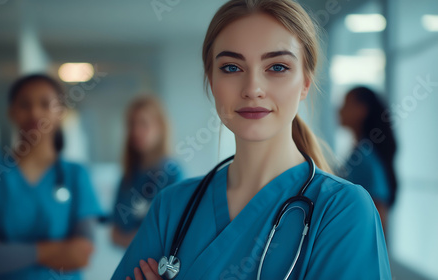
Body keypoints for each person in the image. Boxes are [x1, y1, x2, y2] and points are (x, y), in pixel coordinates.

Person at [112, 0, 391, 279]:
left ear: (305, 83)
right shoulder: (171, 207)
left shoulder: (344, 210)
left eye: (278, 67)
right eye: (232, 68)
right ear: (211, 81)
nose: (253, 89)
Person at [0, 74, 104, 280]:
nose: (35, 112)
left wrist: (8, 253)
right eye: (25, 104)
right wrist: (52, 251)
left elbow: (81, 254)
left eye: (45, 104)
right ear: (12, 112)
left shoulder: (76, 175)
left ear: (61, 112)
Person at [112, 95, 183, 248]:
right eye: (132, 124)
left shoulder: (172, 174)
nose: (136, 131)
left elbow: (173, 233)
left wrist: (136, 239)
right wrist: (146, 239)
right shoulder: (128, 177)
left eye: (144, 124)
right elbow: (114, 234)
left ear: (160, 128)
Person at [339, 86, 397, 232]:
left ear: (362, 110)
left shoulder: (365, 157)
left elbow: (379, 211)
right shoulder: (358, 153)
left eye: (346, 104)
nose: (339, 110)